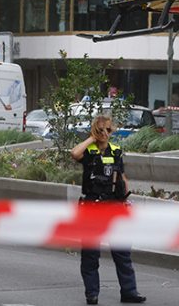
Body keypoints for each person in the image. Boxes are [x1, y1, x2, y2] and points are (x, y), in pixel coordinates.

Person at [70, 115, 146, 305]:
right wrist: (92, 138)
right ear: (94, 132)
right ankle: (92, 293)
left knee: (122, 251)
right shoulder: (88, 151)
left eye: (108, 130)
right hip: (92, 206)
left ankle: (129, 292)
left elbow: (122, 177)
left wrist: (128, 201)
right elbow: (74, 153)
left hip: (114, 206)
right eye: (100, 129)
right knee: (90, 252)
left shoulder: (116, 151)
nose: (105, 133)